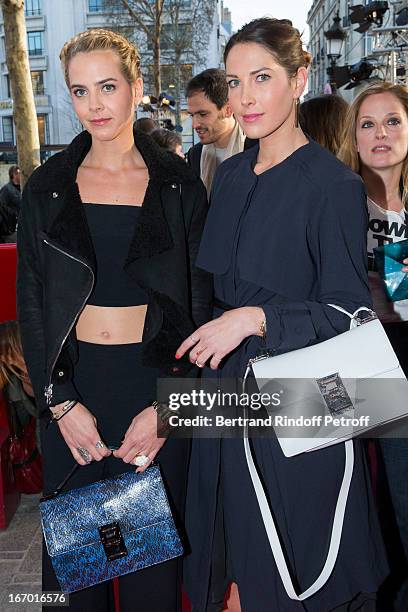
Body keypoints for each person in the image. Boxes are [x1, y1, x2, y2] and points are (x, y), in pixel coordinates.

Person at [177, 18, 388, 612]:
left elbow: (350, 311)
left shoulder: (334, 186)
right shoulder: (232, 175)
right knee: (223, 563)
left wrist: (257, 320)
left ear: (298, 80)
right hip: (223, 392)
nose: (243, 97)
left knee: (290, 564)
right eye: (234, 82)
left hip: (296, 396)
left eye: (262, 79)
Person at [17, 28, 212, 612]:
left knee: (152, 580)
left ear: (136, 88)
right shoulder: (48, 187)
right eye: (80, 91)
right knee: (83, 583)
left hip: (151, 390)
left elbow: (197, 307)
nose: (94, 104)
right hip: (75, 392)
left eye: (107, 86)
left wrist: (168, 406)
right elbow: (33, 303)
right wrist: (59, 402)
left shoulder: (178, 186)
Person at [338, 81, 408, 612]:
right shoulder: (338, 201)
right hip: (362, 364)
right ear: (353, 137)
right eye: (368, 123)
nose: (380, 133)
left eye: (392, 121)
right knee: (376, 499)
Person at [186, 68, 256, 194]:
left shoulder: (256, 151)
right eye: (192, 115)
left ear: (228, 110)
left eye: (203, 114)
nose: (194, 124)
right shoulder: (195, 155)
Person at [0, 165, 21, 242]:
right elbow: (2, 207)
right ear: (14, 174)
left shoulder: (21, 188)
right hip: (10, 230)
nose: (21, 175)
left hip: (18, 227)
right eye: (19, 173)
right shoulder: (7, 189)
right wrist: (14, 215)